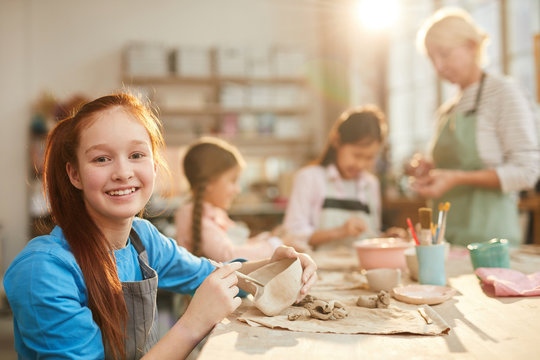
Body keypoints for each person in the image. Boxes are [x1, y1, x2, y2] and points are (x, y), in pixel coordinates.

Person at [3, 94, 317, 360]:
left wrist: (275, 266)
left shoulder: (143, 239)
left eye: (137, 155)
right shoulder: (43, 271)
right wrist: (193, 323)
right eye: (101, 159)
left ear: (154, 164)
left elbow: (211, 272)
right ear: (75, 175)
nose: (123, 172)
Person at [410, 7, 540, 246]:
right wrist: (429, 169)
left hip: (491, 241)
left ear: (471, 46)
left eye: (445, 54)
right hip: (447, 241)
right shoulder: (447, 109)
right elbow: (450, 168)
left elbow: (528, 172)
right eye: (432, 58)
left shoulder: (504, 93)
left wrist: (457, 178)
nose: (438, 66)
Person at [283, 105, 406, 250]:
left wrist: (385, 240)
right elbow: (292, 236)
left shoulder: (371, 183)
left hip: (360, 268)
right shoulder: (309, 178)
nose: (361, 164)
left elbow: (369, 235)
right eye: (357, 155)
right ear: (337, 141)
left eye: (369, 157)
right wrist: (339, 231)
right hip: (318, 269)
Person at [176, 137, 294, 262]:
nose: (237, 190)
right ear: (209, 183)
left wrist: (269, 238)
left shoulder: (216, 213)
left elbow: (240, 244)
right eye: (233, 181)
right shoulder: (190, 214)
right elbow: (230, 256)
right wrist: (275, 244)